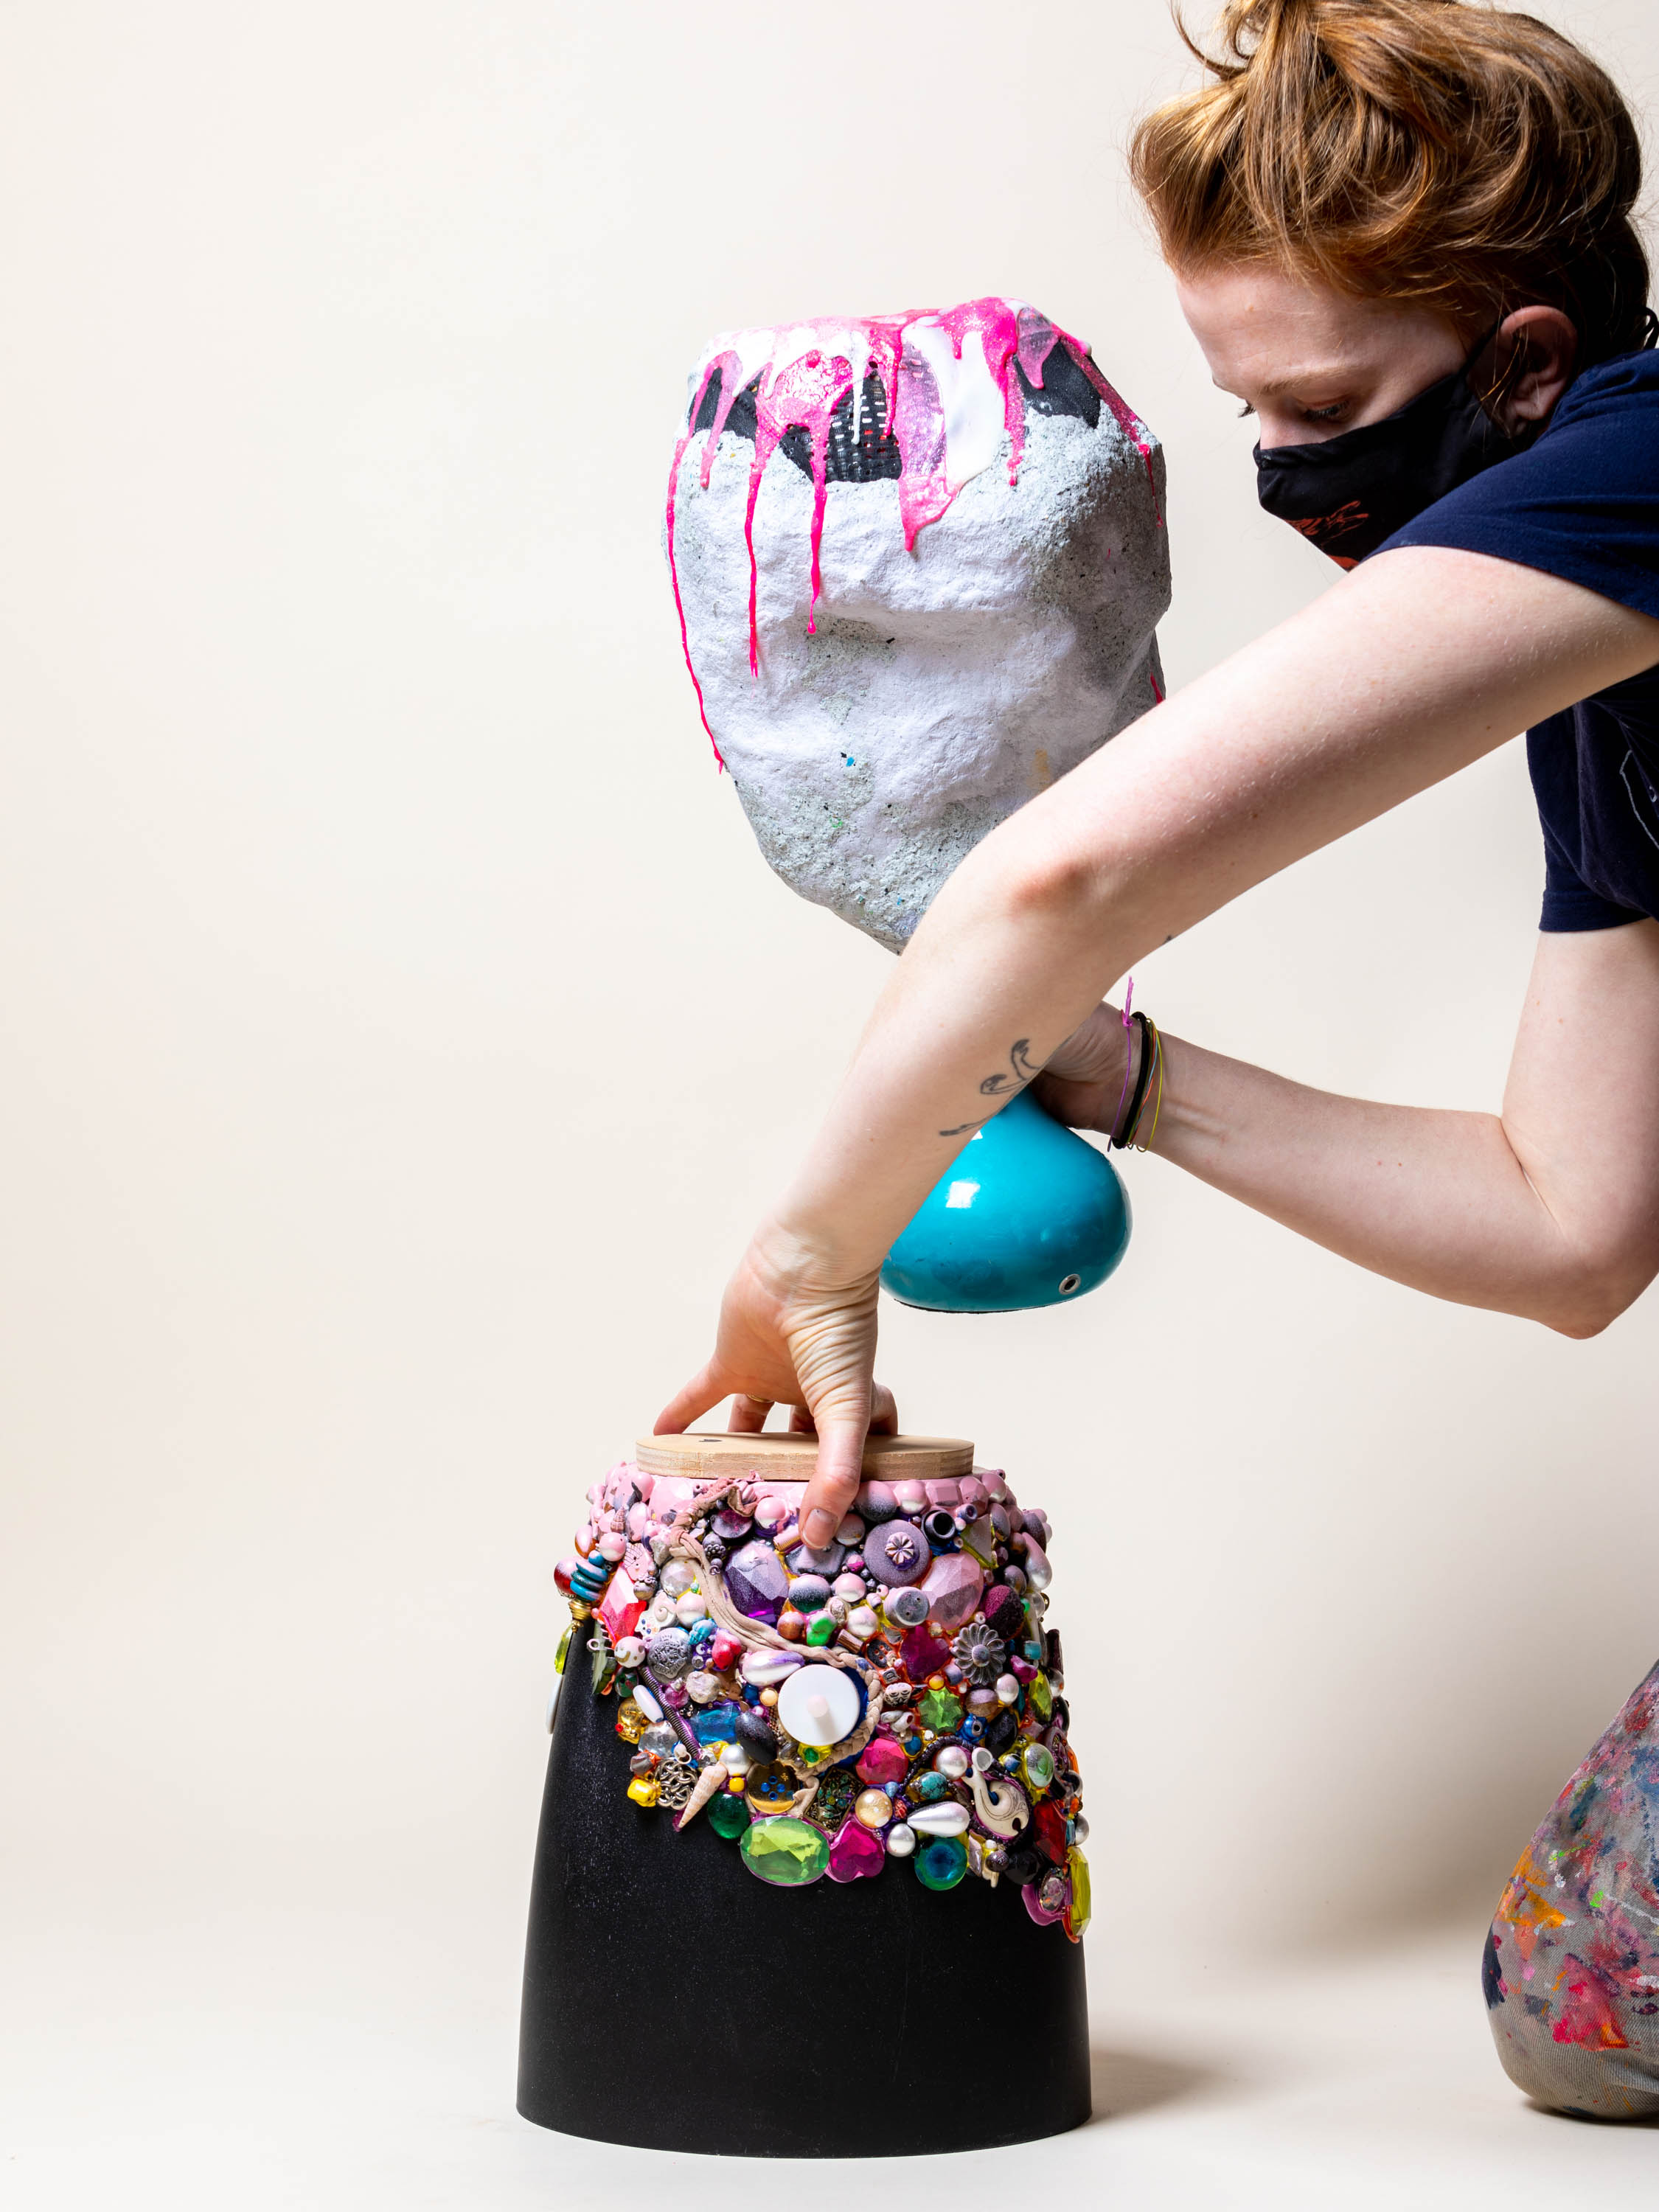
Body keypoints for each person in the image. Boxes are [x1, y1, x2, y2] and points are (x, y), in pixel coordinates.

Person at [658, 0, 1659, 2115]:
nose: (1292, 477)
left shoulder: (1647, 475)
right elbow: (1568, 1229)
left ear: (1530, 366)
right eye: (1246, 414)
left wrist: (803, 1247)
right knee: (1591, 2013)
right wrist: (1108, 1077)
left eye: (1320, 406)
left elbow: (1062, 876)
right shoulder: (1612, 689)